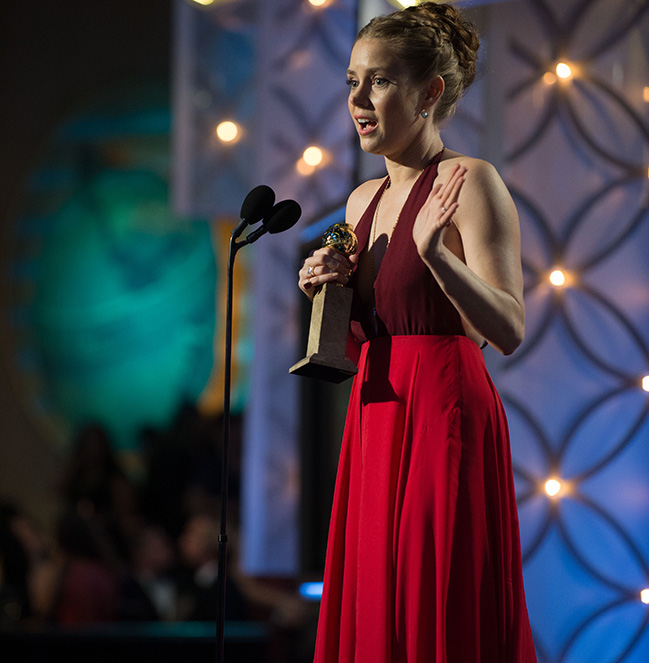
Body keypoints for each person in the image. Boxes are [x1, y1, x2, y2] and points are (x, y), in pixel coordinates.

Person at [298, 3, 536, 662]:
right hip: (375, 420)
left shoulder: (470, 182)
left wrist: (438, 256)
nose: (358, 99)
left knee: (438, 602)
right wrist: (328, 293)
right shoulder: (357, 203)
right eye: (351, 81)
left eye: (378, 80)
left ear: (429, 92)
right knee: (377, 610)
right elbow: (365, 338)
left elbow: (506, 328)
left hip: (441, 413)